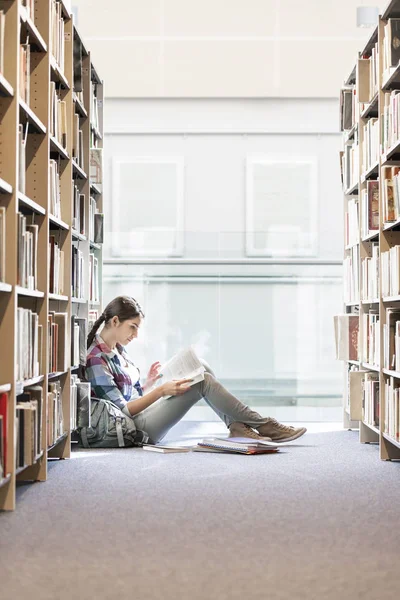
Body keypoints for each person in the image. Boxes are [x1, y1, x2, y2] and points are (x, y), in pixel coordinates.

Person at [85, 295, 307, 445]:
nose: (135, 335)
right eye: (132, 327)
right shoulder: (96, 358)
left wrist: (148, 384)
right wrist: (161, 390)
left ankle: (237, 425)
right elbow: (123, 411)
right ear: (115, 321)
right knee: (203, 382)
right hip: (135, 427)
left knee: (202, 366)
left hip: (142, 414)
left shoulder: (119, 349)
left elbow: (126, 393)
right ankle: (264, 424)